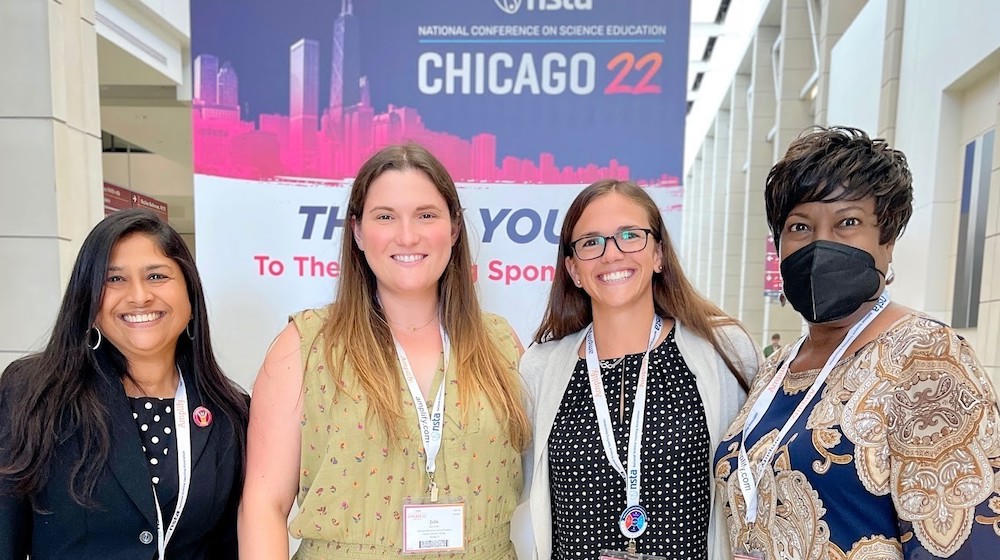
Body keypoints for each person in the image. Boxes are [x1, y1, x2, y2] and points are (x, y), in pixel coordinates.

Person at [714, 126, 1000, 559]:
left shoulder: (925, 357)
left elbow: (962, 542)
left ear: (887, 240)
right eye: (799, 226)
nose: (820, 243)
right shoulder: (779, 369)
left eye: (848, 222)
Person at [239, 143, 530, 559]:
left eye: (426, 215)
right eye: (385, 217)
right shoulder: (305, 346)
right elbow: (264, 505)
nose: (407, 235)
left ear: (453, 228)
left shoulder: (502, 344)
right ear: (357, 231)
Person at [520, 179, 760, 560]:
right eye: (591, 242)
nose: (611, 254)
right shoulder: (541, 367)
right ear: (574, 269)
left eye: (630, 235)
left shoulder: (724, 351)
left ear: (659, 253)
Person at [0, 209, 250, 560]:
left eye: (157, 276)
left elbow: (231, 547)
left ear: (190, 296)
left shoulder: (229, 413)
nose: (139, 296)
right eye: (114, 280)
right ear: (90, 301)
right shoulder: (34, 392)